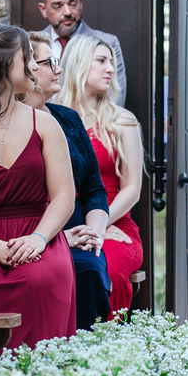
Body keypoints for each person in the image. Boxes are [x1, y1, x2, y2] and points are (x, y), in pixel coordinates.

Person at [0, 24, 77, 349]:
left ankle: (43, 373)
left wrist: (39, 238)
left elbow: (64, 196)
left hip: (38, 233)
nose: (35, 66)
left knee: (41, 278)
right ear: (2, 62)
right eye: (28, 57)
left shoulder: (45, 124)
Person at [27, 32, 112, 329]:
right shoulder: (6, 124)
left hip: (79, 231)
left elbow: (94, 189)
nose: (59, 68)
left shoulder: (68, 118)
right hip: (32, 231)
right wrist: (58, 238)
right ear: (26, 68)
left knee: (89, 265)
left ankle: (89, 351)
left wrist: (94, 234)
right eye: (50, 62)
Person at [57, 34, 143, 314]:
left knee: (109, 268)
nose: (111, 69)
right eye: (102, 61)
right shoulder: (53, 118)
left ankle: (106, 340)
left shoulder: (122, 120)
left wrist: (99, 226)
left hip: (115, 224)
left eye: (112, 62)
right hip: (65, 226)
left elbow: (132, 188)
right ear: (79, 63)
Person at [33, 0, 128, 107]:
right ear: (43, 9)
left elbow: (115, 98)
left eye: (73, 4)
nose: (67, 12)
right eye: (57, 6)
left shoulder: (107, 42)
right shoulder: (32, 44)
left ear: (81, 3)